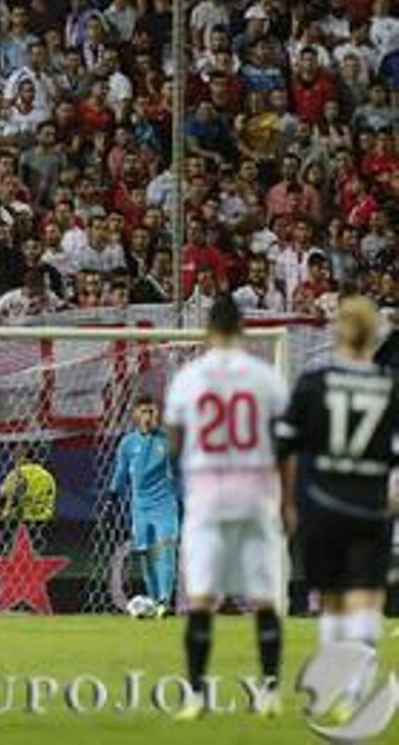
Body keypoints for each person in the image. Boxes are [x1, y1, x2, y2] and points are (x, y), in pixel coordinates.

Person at [163, 294, 289, 719]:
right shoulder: (264, 377)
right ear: (242, 329)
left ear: (209, 330)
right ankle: (269, 694)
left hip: (207, 495)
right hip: (256, 494)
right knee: (265, 598)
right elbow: (284, 441)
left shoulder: (189, 378)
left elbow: (175, 441)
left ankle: (196, 696)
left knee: (201, 598)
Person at [275, 295, 399, 725]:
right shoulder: (390, 386)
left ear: (338, 331)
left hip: (322, 506)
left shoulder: (314, 383)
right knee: (365, 602)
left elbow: (284, 446)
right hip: (371, 509)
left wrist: (286, 502)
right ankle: (356, 692)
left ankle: (332, 684)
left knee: (330, 600)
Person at [110, 391, 181, 616]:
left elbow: (181, 471)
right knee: (146, 554)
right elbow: (121, 472)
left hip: (165, 506)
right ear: (135, 414)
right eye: (144, 411)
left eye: (152, 411)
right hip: (140, 509)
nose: (148, 416)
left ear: (157, 413)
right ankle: (153, 599)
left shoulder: (167, 441)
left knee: (165, 550)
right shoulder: (127, 443)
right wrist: (112, 497)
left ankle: (164, 600)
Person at [0, 443, 56, 524]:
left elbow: (3, 499)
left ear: (21, 455)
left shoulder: (15, 475)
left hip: (20, 522)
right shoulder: (48, 475)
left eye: (15, 454)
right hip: (46, 522)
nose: (12, 456)